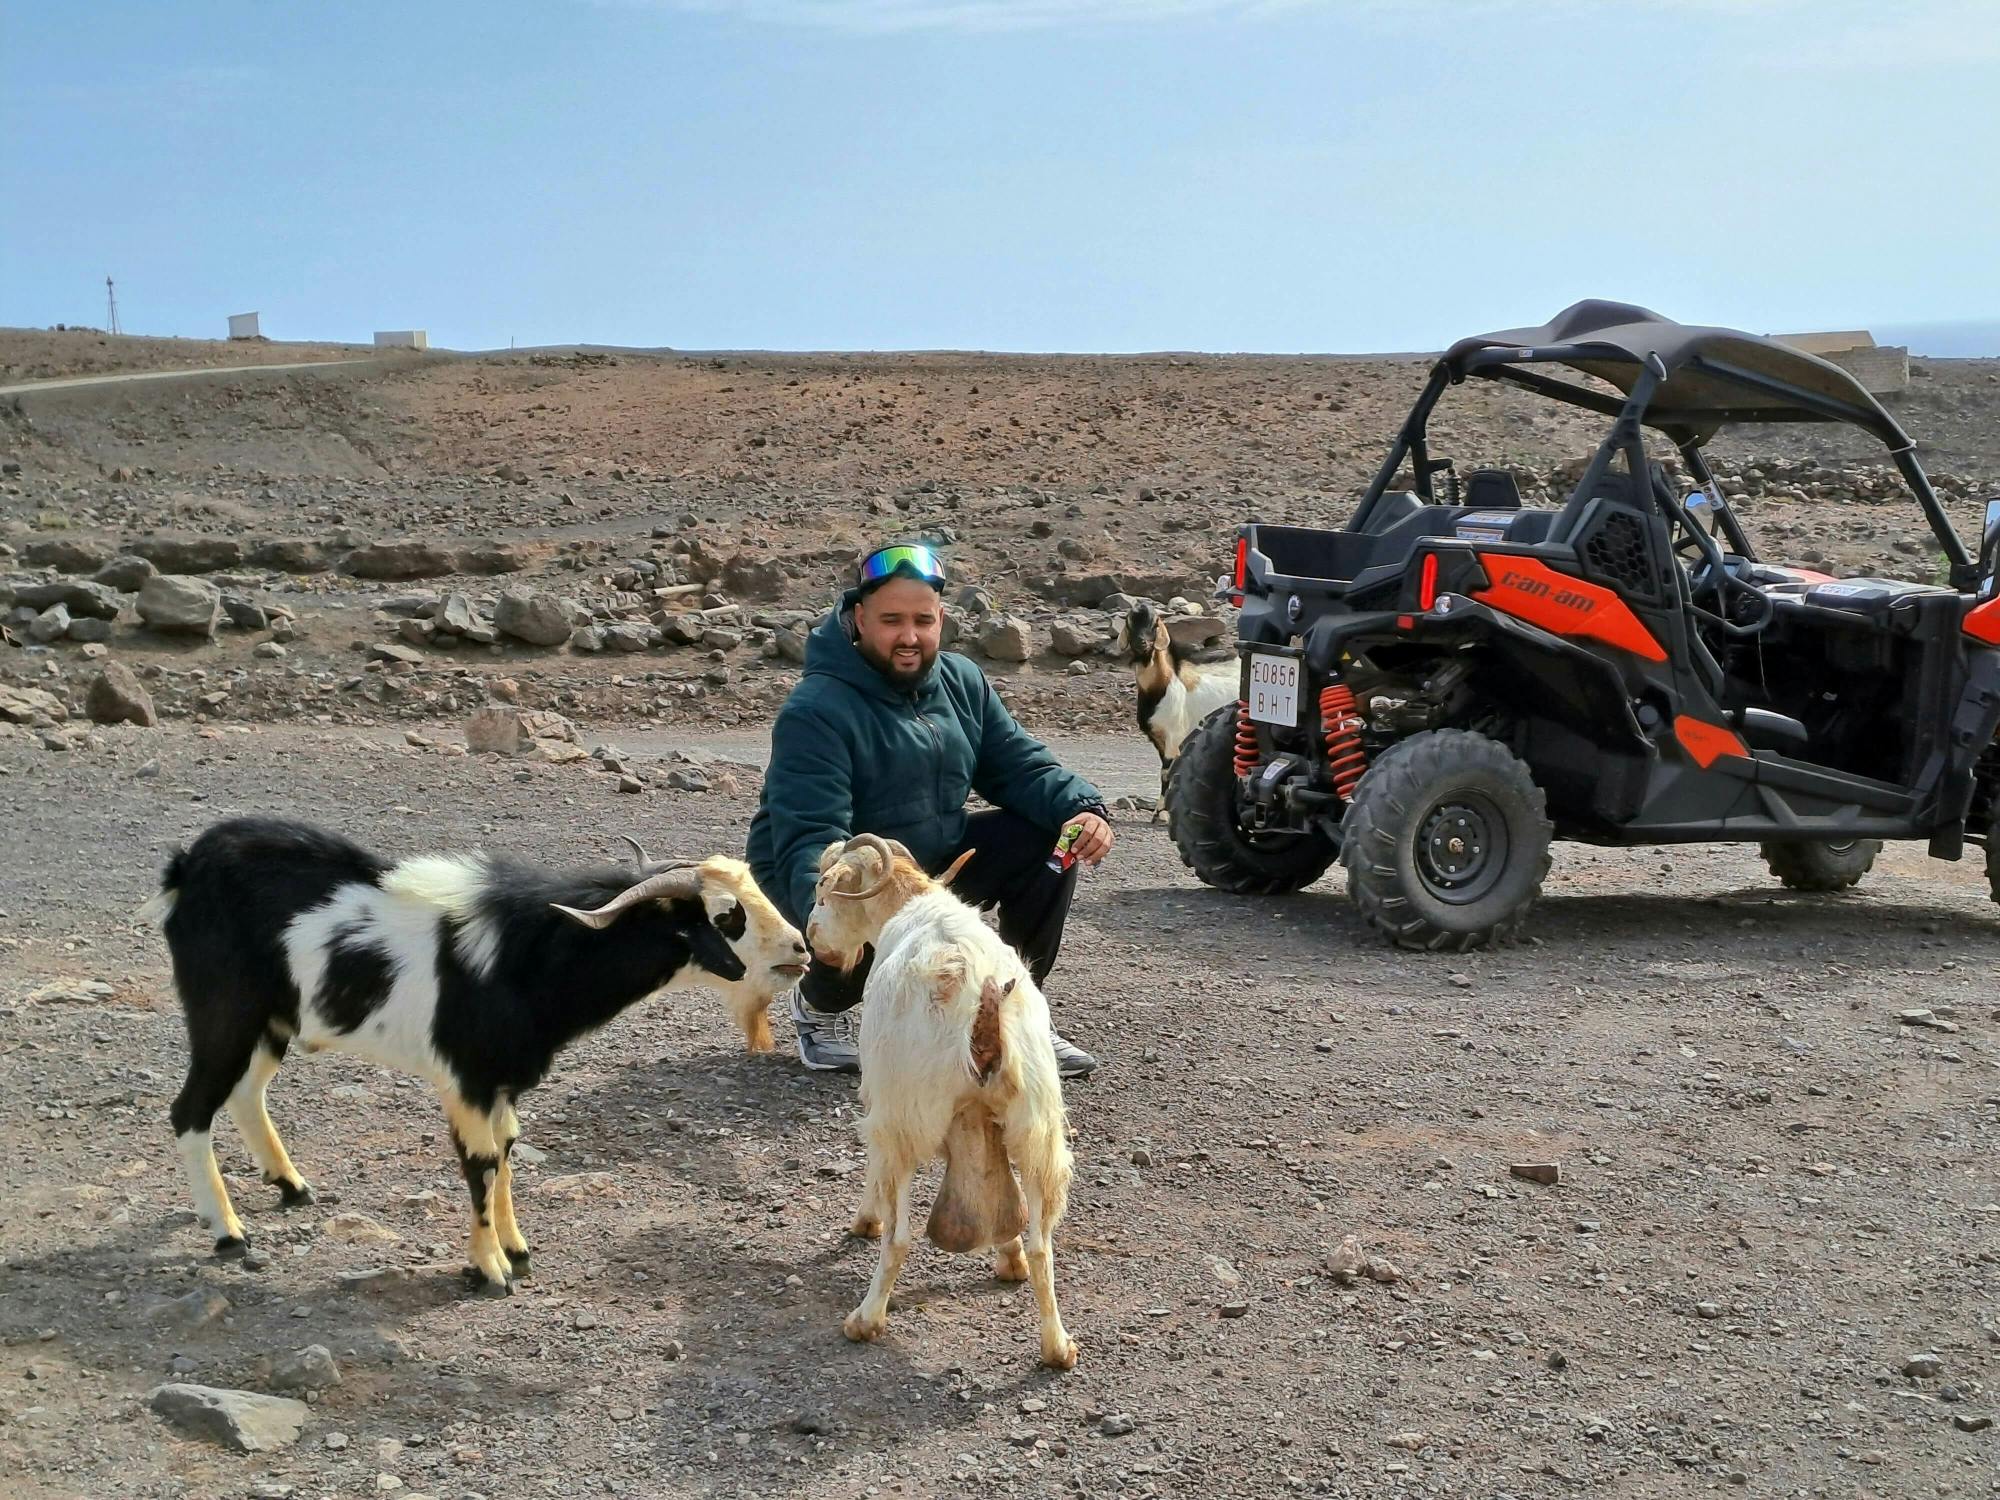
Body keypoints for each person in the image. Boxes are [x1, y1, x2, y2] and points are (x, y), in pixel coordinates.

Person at [746, 541, 1113, 1075]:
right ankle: (821, 1007)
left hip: (929, 868)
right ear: (859, 619)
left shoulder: (962, 682)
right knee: (847, 909)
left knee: (1048, 838)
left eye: (923, 619)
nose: (909, 637)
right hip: (827, 873)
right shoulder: (816, 709)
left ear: (941, 619)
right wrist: (819, 917)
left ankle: (1011, 1012)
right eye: (891, 620)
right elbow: (810, 834)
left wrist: (1082, 808)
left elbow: (1020, 768)